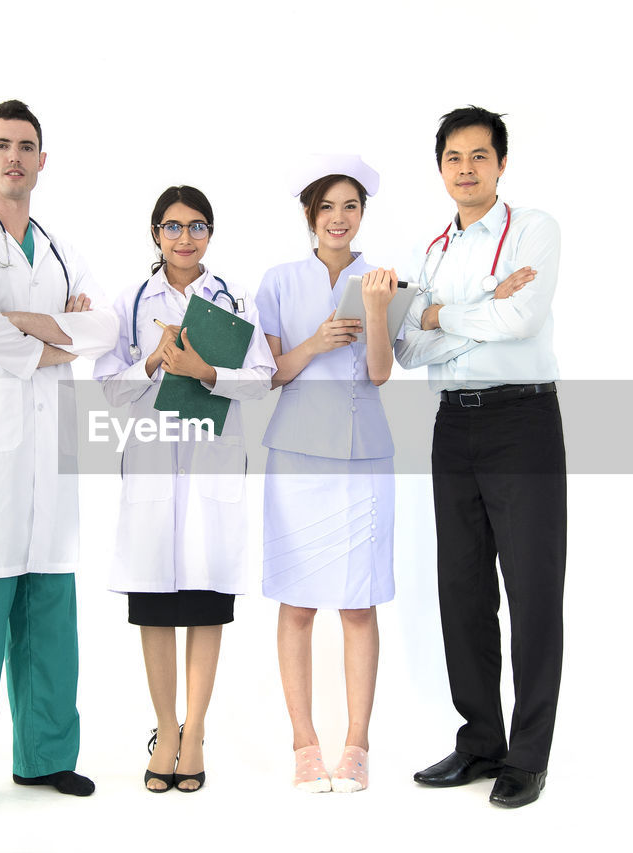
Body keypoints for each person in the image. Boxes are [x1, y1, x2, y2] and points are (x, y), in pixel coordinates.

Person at [0, 99, 119, 823]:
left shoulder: (58, 244)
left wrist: (41, 328)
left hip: (50, 448)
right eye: (2, 145)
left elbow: (106, 325)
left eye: (27, 146)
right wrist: (54, 340)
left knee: (47, 606)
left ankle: (45, 756)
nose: (15, 156)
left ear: (44, 161)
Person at [395, 106, 565, 809]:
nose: (465, 168)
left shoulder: (533, 230)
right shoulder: (430, 252)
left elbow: (521, 319)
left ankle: (527, 754)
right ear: (440, 168)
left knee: (531, 590)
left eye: (479, 156)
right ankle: (480, 741)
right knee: (462, 589)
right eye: (453, 157)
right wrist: (471, 313)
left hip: (522, 420)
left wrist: (440, 318)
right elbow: (407, 347)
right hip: (452, 427)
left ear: (500, 164)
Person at [93, 185, 275, 793]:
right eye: (172, 227)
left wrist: (206, 371)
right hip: (151, 460)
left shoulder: (231, 303)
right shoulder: (131, 301)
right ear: (155, 234)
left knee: (203, 602)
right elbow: (109, 389)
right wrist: (153, 359)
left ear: (210, 234)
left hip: (210, 463)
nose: (185, 238)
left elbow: (261, 379)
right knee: (153, 604)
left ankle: (194, 731)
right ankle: (164, 729)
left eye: (197, 227)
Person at [254, 155, 399, 793]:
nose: (339, 219)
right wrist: (313, 342)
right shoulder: (279, 282)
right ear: (310, 215)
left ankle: (358, 744)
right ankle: (304, 742)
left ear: (362, 214)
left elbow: (380, 373)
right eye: (328, 208)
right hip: (297, 456)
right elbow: (267, 374)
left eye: (351, 207)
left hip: (363, 454)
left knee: (360, 602)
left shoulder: (383, 280)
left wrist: (373, 315)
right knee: (298, 601)